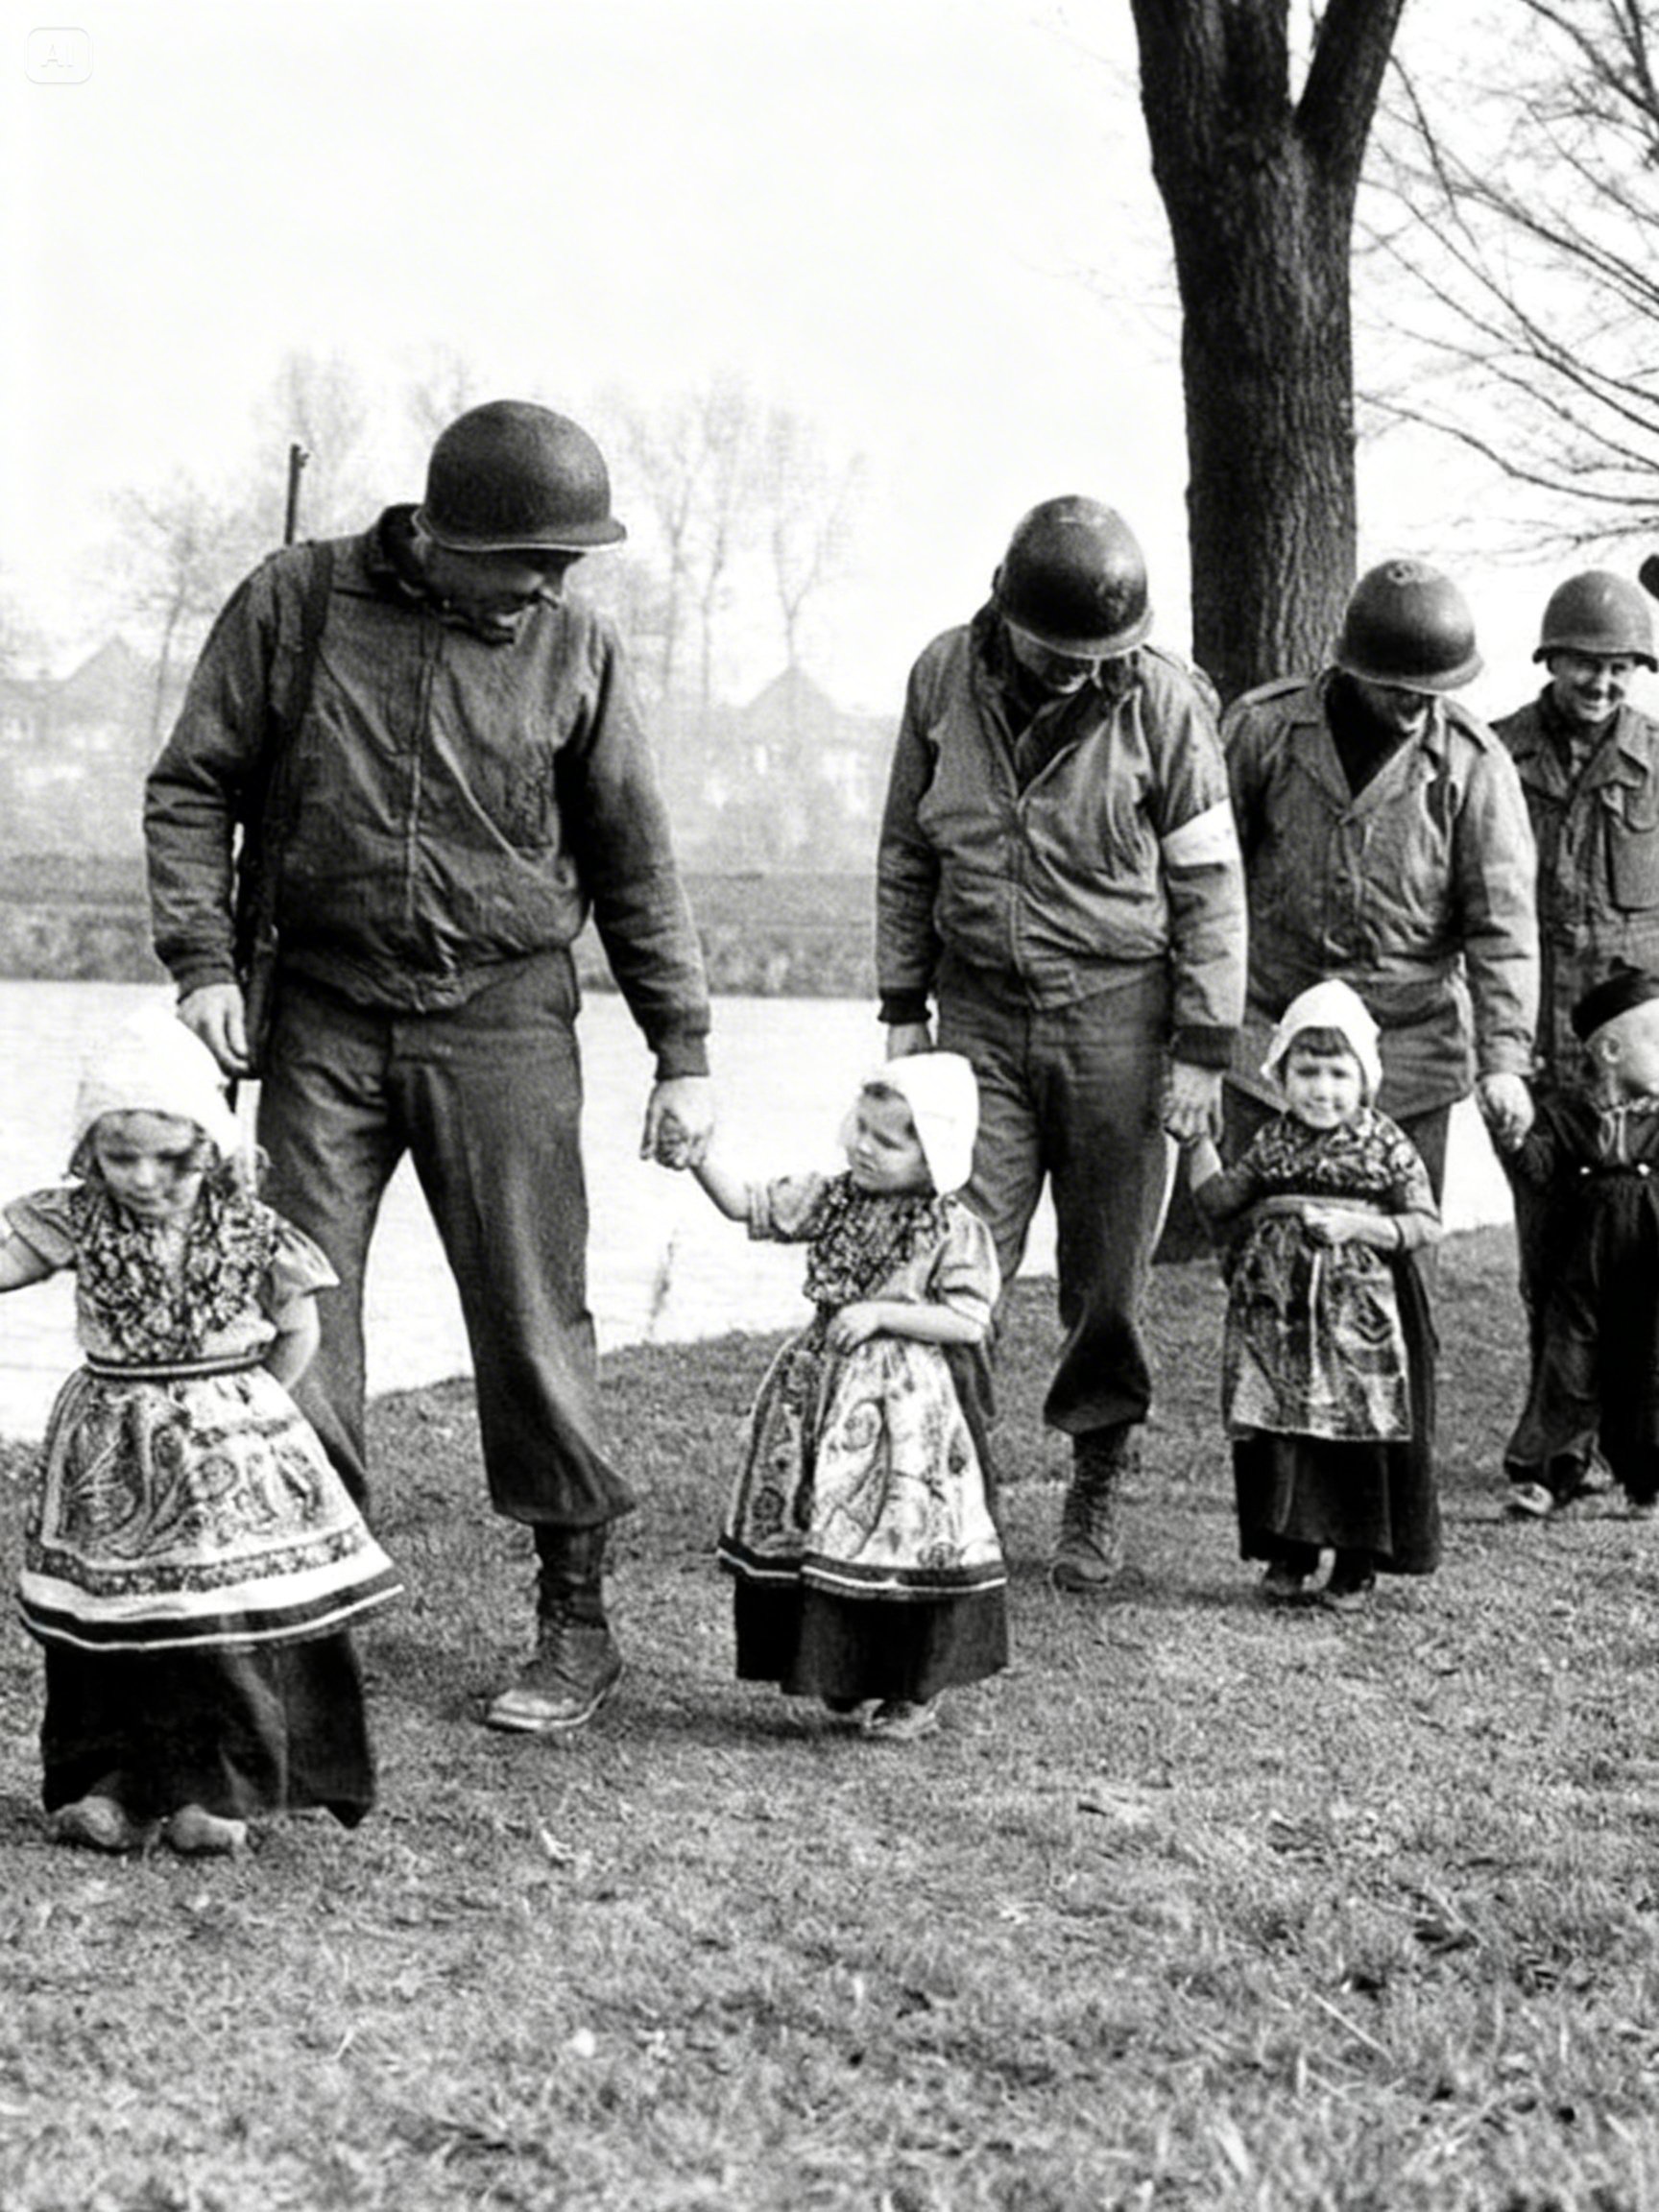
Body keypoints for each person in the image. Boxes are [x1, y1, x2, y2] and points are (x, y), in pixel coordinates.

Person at [145, 399, 714, 1738]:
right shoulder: (293, 603)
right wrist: (202, 966)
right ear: (446, 538)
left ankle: (574, 1615)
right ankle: (306, 1598)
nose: (554, 585)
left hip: (505, 1017)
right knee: (293, 1308)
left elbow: (636, 859)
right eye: (532, 561)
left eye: (568, 563)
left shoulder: (578, 651)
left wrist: (682, 1050)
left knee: (530, 1313)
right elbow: (193, 787)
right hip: (323, 1018)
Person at [876, 496, 1246, 1595]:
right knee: (958, 1252)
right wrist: (903, 1003)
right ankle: (961, 1485)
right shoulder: (943, 675)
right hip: (979, 1011)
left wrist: (1202, 1046)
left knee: (1110, 1278)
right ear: (1007, 607)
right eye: (1059, 650)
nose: (1080, 671)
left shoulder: (1166, 702)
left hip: (1122, 1015)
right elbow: (906, 848)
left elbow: (1211, 885)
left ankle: (1099, 1470)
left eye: (1101, 656)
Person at [4, 1006, 400, 1854]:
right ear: (89, 1152)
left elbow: (299, 1329)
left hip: (229, 1451)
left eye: (171, 1162)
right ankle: (111, 1787)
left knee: (223, 1621)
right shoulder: (77, 1219)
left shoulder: (255, 1232)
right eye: (120, 1157)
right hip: (110, 1455)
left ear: (211, 1149)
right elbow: (10, 1259)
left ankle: (217, 1793)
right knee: (107, 1626)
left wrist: (252, 1413)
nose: (144, 1179)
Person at [688, 1053, 1004, 1743]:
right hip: (821, 1393)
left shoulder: (950, 1229)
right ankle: (845, 1669)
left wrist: (885, 1314)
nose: (864, 1146)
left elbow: (966, 1320)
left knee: (900, 1533)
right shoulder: (833, 1199)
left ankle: (913, 1689)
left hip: (903, 1408)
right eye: (862, 1128)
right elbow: (748, 1204)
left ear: (935, 1153)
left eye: (888, 1140)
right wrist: (697, 1155)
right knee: (825, 1522)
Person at [1224, 559, 1539, 1203]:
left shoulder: (1473, 765)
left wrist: (1504, 1059)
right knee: (1265, 1241)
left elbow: (1502, 927)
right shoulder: (1264, 731)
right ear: (1355, 668)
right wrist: (1197, 1031)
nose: (1416, 704)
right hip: (1271, 1034)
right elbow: (1211, 886)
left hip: (1408, 1048)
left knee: (1401, 1259)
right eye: (1399, 687)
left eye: (1431, 690)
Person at [1185, 979, 1443, 1613]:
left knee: (1354, 1434)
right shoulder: (1274, 1140)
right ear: (1282, 1073)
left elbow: (1425, 1223)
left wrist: (1360, 1227)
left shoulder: (1384, 1145)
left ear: (1364, 1078)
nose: (1320, 1090)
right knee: (1281, 1431)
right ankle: (1291, 1550)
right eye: (1305, 1071)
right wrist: (1194, 1141)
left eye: (1336, 1073)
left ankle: (1355, 1566)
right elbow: (1222, 1201)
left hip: (1360, 1322)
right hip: (1278, 1320)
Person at [1491, 572, 1659, 1517]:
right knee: (1546, 1261)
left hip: (1639, 1061)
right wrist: (1498, 1056)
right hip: (1535, 1052)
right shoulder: (1494, 754)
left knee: (1639, 1257)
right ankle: (1559, 1447)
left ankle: (1634, 1443)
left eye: (1619, 668)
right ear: (1550, 658)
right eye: (1584, 664)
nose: (1600, 684)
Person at [1497, 966, 1659, 1521]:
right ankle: (1545, 1475)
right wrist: (1517, 1138)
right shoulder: (1566, 1114)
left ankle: (1646, 1479)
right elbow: (1538, 1169)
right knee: (1566, 1367)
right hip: (1577, 1264)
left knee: (1646, 1368)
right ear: (1610, 1051)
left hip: (1646, 1262)